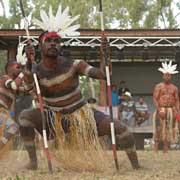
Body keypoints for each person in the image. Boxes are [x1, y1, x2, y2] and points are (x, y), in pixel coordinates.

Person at [18, 4, 140, 170]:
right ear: (40, 46)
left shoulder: (74, 65)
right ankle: (33, 162)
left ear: (61, 46)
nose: (53, 44)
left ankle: (136, 165)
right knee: (25, 117)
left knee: (121, 129)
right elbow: (26, 88)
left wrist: (105, 55)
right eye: (49, 41)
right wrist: (28, 65)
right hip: (52, 118)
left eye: (57, 41)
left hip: (81, 115)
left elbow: (103, 75)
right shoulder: (36, 69)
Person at [153, 61, 179, 152]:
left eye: (169, 75)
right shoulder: (158, 86)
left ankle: (166, 147)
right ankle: (156, 146)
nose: (167, 76)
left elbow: (176, 100)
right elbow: (155, 99)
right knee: (159, 127)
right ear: (163, 76)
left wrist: (176, 110)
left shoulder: (174, 88)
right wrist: (159, 110)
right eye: (166, 75)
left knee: (169, 128)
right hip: (161, 109)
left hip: (171, 110)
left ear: (171, 76)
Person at [0, 60, 25, 151]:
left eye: (21, 68)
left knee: (13, 127)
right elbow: (14, 85)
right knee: (13, 127)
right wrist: (23, 73)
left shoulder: (14, 85)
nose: (20, 70)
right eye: (18, 67)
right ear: (9, 68)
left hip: (2, 112)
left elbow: (26, 90)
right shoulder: (5, 78)